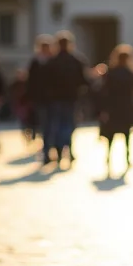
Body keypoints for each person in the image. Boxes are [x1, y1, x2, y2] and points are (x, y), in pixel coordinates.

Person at [43, 30, 87, 166]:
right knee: (69, 125)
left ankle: (59, 148)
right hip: (71, 98)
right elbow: (83, 81)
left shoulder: (52, 61)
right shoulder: (76, 61)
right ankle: (67, 148)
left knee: (57, 124)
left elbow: (46, 82)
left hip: (56, 98)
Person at [96, 45, 133, 168]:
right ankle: (127, 157)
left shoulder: (111, 73)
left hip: (113, 107)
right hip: (126, 107)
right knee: (126, 134)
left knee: (111, 135)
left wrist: (103, 108)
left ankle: (108, 156)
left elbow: (104, 91)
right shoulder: (131, 74)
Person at [26, 35, 54, 149]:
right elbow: (31, 81)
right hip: (40, 98)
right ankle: (47, 147)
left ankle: (50, 146)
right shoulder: (35, 62)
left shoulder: (53, 61)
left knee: (51, 123)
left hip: (52, 98)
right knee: (44, 123)